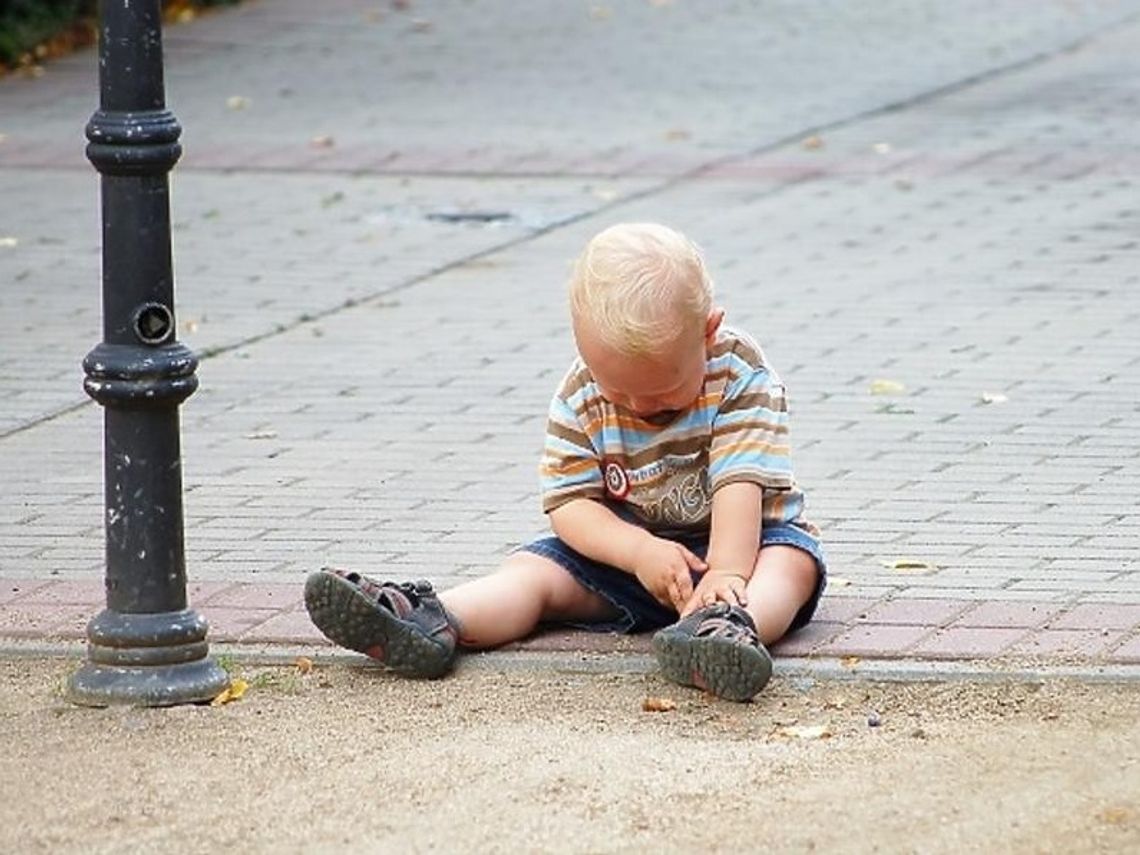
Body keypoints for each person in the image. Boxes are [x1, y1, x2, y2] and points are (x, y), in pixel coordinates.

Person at [305, 222, 826, 702]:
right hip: (631, 560)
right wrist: (639, 552)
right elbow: (571, 504)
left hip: (747, 546)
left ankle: (727, 629)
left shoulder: (737, 372)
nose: (639, 407)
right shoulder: (581, 393)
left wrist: (726, 574)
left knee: (791, 565)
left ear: (708, 332)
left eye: (664, 395)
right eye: (616, 390)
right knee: (534, 571)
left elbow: (739, 480)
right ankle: (434, 619)